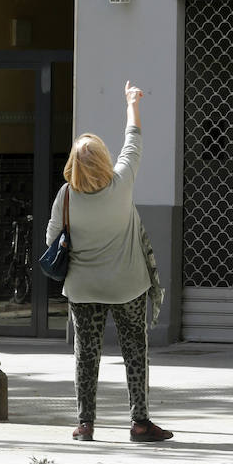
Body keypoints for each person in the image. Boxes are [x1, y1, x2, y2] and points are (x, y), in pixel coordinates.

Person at [45, 80, 172, 444]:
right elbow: (134, 140)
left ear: (73, 164)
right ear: (103, 160)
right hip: (127, 286)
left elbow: (51, 240)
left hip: (83, 290)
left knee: (86, 355)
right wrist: (132, 102)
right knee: (136, 350)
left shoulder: (66, 196)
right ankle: (140, 423)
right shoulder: (122, 184)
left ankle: (85, 424)